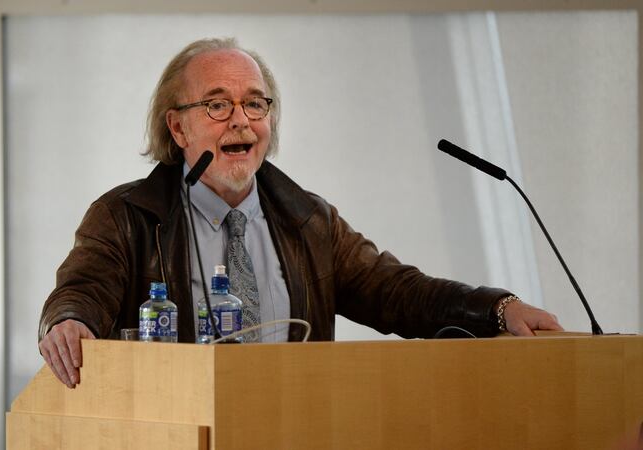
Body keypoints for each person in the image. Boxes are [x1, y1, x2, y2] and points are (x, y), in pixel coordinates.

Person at [38, 37, 563, 388]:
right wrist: (69, 322)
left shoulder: (308, 221)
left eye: (255, 104)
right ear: (178, 129)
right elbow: (83, 291)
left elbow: (399, 292)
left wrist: (497, 308)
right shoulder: (127, 217)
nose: (240, 122)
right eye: (217, 105)